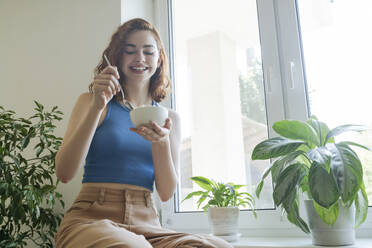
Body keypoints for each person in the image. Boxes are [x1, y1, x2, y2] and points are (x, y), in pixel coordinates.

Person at [54, 18, 232, 248]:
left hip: (148, 222)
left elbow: (166, 193)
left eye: (148, 52)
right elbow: (64, 172)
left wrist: (161, 143)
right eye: (130, 51)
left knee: (217, 246)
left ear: (159, 59)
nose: (139, 59)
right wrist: (98, 105)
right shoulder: (93, 102)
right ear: (117, 56)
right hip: (92, 218)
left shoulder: (170, 119)